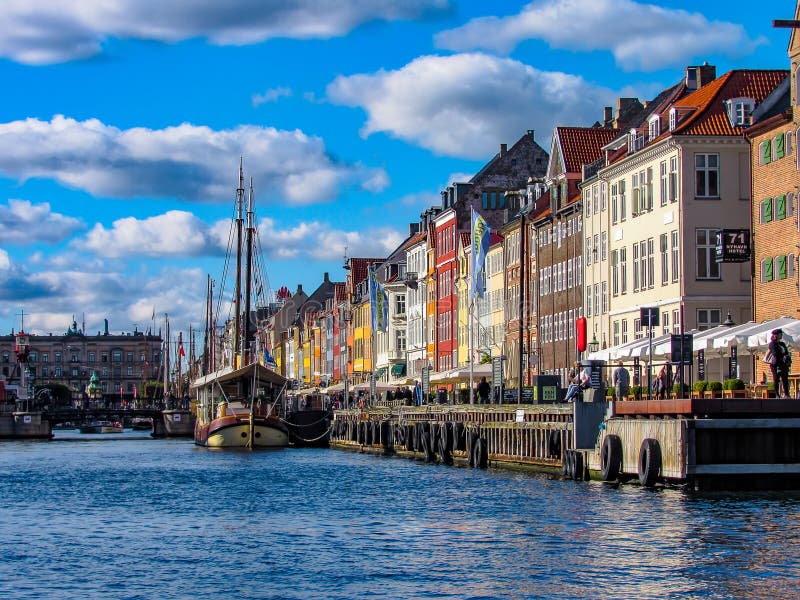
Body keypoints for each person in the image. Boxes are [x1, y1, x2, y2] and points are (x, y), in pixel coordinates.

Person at [768, 328, 791, 398]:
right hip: (776, 364)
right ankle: (777, 394)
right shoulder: (772, 344)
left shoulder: (782, 344)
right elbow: (775, 353)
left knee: (785, 379)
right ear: (776, 335)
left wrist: (786, 358)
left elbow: (786, 352)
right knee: (776, 379)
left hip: (783, 364)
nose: (781, 335)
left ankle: (786, 394)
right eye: (780, 334)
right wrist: (782, 355)